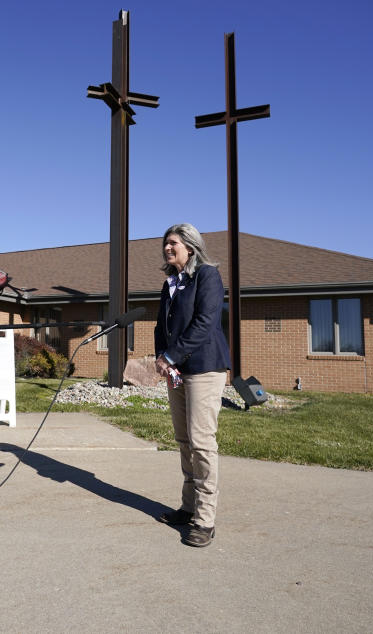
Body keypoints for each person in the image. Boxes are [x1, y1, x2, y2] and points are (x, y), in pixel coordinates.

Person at [153, 223, 231, 548]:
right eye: (165, 244)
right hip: (176, 370)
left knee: (201, 441)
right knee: (184, 439)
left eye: (173, 243)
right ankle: (188, 508)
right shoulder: (170, 283)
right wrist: (162, 355)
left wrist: (171, 355)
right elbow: (162, 325)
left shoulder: (207, 276)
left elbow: (205, 322)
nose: (168, 248)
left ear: (190, 246)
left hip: (203, 368)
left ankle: (205, 519)